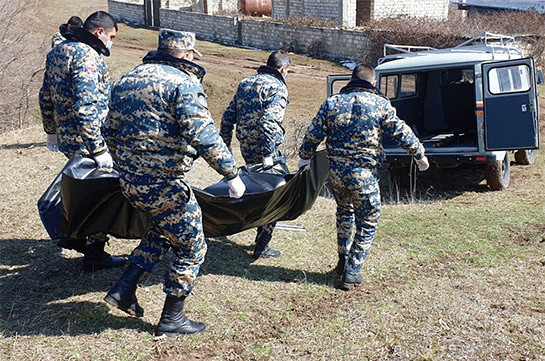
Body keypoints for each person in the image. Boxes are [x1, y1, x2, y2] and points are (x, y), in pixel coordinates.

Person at [102, 29, 246, 337]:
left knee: (164, 231)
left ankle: (123, 289)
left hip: (130, 182)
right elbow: (204, 135)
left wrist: (127, 165)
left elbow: (108, 129)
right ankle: (172, 317)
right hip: (165, 184)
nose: (193, 61)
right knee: (193, 247)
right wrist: (231, 174)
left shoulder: (127, 79)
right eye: (192, 55)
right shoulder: (183, 84)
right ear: (183, 55)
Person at [298, 64, 430, 290]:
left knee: (344, 212)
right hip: (363, 173)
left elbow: (313, 134)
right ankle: (352, 271)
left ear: (351, 80)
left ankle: (343, 259)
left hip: (336, 173)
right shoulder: (380, 104)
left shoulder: (332, 103)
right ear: (373, 82)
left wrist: (304, 157)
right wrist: (419, 156)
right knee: (368, 220)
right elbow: (402, 132)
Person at [39, 11, 124, 272]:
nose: (110, 42)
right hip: (89, 139)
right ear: (99, 32)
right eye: (110, 36)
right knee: (97, 195)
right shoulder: (87, 56)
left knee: (84, 193)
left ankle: (83, 243)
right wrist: (99, 149)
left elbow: (45, 96)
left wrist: (51, 131)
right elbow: (86, 107)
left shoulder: (58, 52)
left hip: (68, 136)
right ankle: (91, 250)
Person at [220, 51, 290, 259]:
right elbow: (268, 122)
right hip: (266, 149)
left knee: (259, 190)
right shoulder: (278, 87)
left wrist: (225, 146)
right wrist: (268, 154)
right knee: (276, 193)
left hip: (247, 147)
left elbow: (228, 115)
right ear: (283, 70)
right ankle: (262, 245)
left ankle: (257, 234)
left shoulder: (246, 83)